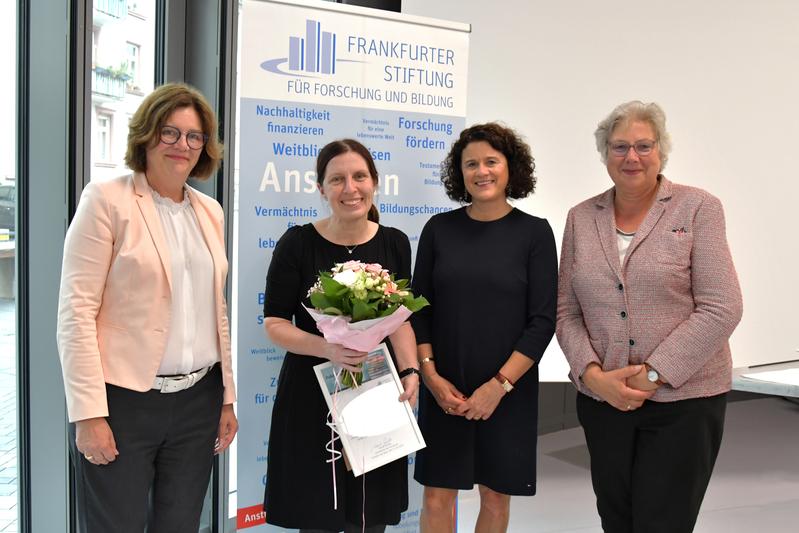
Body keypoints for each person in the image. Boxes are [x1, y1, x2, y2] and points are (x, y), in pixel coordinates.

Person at [56, 82, 238, 533]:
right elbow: (76, 311)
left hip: (198, 401)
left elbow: (215, 310)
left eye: (194, 136)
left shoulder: (209, 210)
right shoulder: (107, 199)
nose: (183, 145)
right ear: (146, 134)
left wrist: (226, 398)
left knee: (180, 525)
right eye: (170, 132)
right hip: (124, 402)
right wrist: (88, 413)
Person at [556, 100, 743, 533]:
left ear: (661, 151)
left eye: (644, 145)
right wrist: (593, 375)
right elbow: (566, 311)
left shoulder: (698, 207)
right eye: (620, 147)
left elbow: (722, 306)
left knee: (663, 523)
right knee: (617, 520)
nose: (632, 157)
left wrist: (653, 375)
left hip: (685, 403)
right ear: (605, 154)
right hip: (604, 403)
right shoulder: (581, 217)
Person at [262, 139, 420, 533]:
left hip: (376, 389)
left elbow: (400, 319)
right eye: (337, 179)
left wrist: (411, 370)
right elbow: (275, 322)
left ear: (374, 182)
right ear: (321, 189)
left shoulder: (395, 241)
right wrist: (327, 347)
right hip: (312, 394)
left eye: (359, 176)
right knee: (318, 514)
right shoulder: (297, 243)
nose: (350, 188)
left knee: (369, 516)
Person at [412, 122, 558, 533]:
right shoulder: (439, 230)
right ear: (460, 173)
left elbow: (542, 321)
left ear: (511, 168)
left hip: (508, 390)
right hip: (445, 389)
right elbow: (417, 310)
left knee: (495, 496)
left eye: (491, 161)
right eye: (471, 163)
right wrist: (431, 377)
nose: (482, 171)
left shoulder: (535, 233)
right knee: (437, 495)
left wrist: (499, 385)